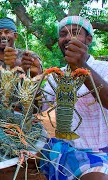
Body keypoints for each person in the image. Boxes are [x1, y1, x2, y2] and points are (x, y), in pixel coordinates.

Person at [40, 16, 108, 180]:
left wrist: (82, 66)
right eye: (63, 34)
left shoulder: (104, 68)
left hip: (98, 151)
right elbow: (42, 112)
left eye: (76, 33)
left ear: (89, 39)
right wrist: (34, 79)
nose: (68, 37)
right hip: (62, 147)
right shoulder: (54, 76)